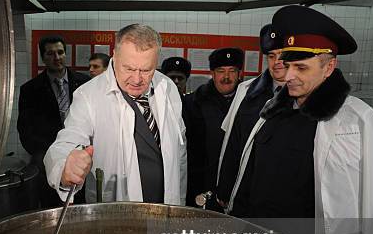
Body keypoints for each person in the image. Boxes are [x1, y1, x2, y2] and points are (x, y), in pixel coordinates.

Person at [228, 5, 373, 234]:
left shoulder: (356, 122)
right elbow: (247, 182)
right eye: (287, 65)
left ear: (329, 66)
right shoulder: (272, 114)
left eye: (301, 67)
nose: (288, 76)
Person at [44, 24, 187, 204]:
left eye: (146, 70)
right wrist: (64, 168)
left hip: (166, 205)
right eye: (129, 68)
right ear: (115, 55)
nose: (136, 79)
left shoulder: (168, 88)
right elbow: (68, 139)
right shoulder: (89, 95)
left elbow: (180, 151)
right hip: (115, 211)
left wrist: (180, 203)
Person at [216, 24, 286, 214]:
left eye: (282, 55)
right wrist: (224, 186)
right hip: (242, 190)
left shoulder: (301, 96)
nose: (277, 61)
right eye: (271, 56)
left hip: (276, 194)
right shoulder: (246, 90)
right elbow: (231, 142)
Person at [17, 35, 90, 207]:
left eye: (60, 52)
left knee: (81, 209)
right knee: (52, 210)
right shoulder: (30, 90)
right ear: (43, 57)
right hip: (47, 164)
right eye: (50, 54)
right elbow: (25, 131)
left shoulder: (85, 84)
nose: (56, 58)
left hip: (82, 160)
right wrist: (50, 156)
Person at [182, 47, 243, 208]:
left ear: (239, 74)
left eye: (232, 71)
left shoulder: (249, 104)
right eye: (221, 71)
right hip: (200, 189)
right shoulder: (193, 103)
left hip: (237, 189)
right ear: (213, 73)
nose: (226, 77)